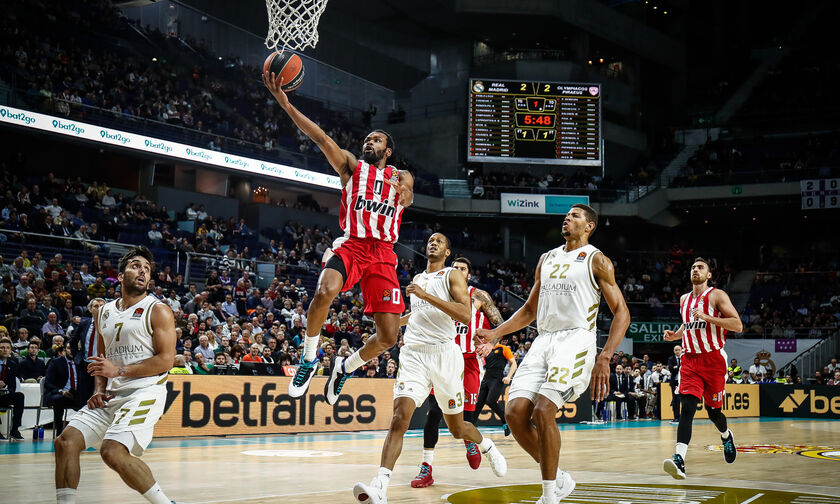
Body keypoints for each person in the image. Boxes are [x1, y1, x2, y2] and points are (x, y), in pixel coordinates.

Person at [264, 70, 413, 406]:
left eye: (376, 140)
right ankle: (309, 358)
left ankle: (346, 366)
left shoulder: (401, 175)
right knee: (325, 290)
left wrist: (404, 194)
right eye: (367, 139)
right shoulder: (351, 166)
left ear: (388, 150)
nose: (369, 143)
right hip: (354, 244)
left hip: (384, 254)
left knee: (389, 336)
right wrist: (286, 104)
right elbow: (322, 139)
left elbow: (409, 196)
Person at [476, 204, 630, 504]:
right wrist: (496, 332)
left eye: (575, 216)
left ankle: (548, 496)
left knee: (543, 409)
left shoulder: (597, 260)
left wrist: (605, 356)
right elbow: (530, 310)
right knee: (514, 412)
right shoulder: (546, 258)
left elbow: (622, 312)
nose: (567, 218)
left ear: (589, 226)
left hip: (576, 339)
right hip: (543, 340)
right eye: (566, 215)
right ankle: (559, 478)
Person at [352, 233, 506, 504]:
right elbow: (418, 313)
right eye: (430, 240)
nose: (433, 243)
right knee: (400, 417)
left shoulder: (451, 276)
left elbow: (465, 314)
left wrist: (425, 295)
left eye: (440, 241)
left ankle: (487, 446)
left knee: (458, 428)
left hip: (446, 356)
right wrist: (392, 325)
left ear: (447, 252)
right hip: (414, 355)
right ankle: (381, 485)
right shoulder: (418, 280)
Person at [53, 246, 179, 504]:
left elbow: (166, 360)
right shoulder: (104, 312)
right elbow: (102, 360)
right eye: (135, 266)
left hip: (145, 391)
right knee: (65, 443)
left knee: (112, 451)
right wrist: (99, 389)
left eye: (147, 268)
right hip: (111, 393)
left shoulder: (158, 310)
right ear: (120, 276)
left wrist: (118, 371)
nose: (142, 271)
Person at [410, 256, 505, 488]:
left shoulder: (479, 296)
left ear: (469, 275)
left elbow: (499, 323)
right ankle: (426, 466)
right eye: (455, 268)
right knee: (433, 412)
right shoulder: (438, 293)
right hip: (441, 357)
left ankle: (470, 441)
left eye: (463, 268)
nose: (458, 271)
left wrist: (491, 344)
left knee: (468, 416)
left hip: (469, 360)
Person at [663, 257, 743, 480]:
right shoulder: (684, 300)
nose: (695, 270)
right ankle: (679, 460)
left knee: (713, 412)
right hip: (689, 360)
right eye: (693, 267)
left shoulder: (717, 295)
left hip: (713, 360)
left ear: (709, 275)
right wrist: (676, 335)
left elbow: (737, 324)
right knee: (687, 408)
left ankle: (726, 436)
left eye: (700, 267)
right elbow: (688, 325)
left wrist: (708, 317)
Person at [67, 298, 106, 402]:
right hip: (85, 365)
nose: (99, 308)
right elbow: (73, 341)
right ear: (90, 309)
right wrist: (76, 357)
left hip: (101, 366)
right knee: (84, 397)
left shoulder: (109, 325)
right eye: (96, 306)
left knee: (99, 397)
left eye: (102, 306)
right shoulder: (84, 324)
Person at [473, 337, 517, 428]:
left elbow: (514, 363)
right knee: (479, 403)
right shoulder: (486, 349)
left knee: (491, 401)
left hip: (497, 378)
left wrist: (508, 376)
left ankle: (505, 421)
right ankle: (470, 425)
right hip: (486, 378)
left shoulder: (503, 348)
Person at [44, 344, 84, 434]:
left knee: (89, 399)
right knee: (59, 399)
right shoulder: (56, 362)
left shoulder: (80, 363)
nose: (71, 351)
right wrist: (61, 391)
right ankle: (59, 431)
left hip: (75, 394)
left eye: (74, 349)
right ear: (65, 350)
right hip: (59, 393)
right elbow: (48, 383)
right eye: (69, 348)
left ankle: (84, 431)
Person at [0, 337, 25, 440]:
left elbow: (13, 387)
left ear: (10, 350)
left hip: (4, 395)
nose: (5, 350)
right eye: (2, 348)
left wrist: (6, 388)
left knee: (19, 396)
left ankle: (14, 429)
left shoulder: (13, 364)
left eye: (7, 348)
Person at [667, 345, 682, 424]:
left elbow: (684, 368)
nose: (677, 351)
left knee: (684, 400)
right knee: (675, 400)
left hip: (683, 382)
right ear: (674, 351)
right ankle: (676, 418)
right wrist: (678, 367)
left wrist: (677, 367)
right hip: (675, 382)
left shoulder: (684, 357)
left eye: (679, 350)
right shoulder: (671, 359)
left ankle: (683, 418)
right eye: (676, 350)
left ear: (681, 350)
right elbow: (671, 369)